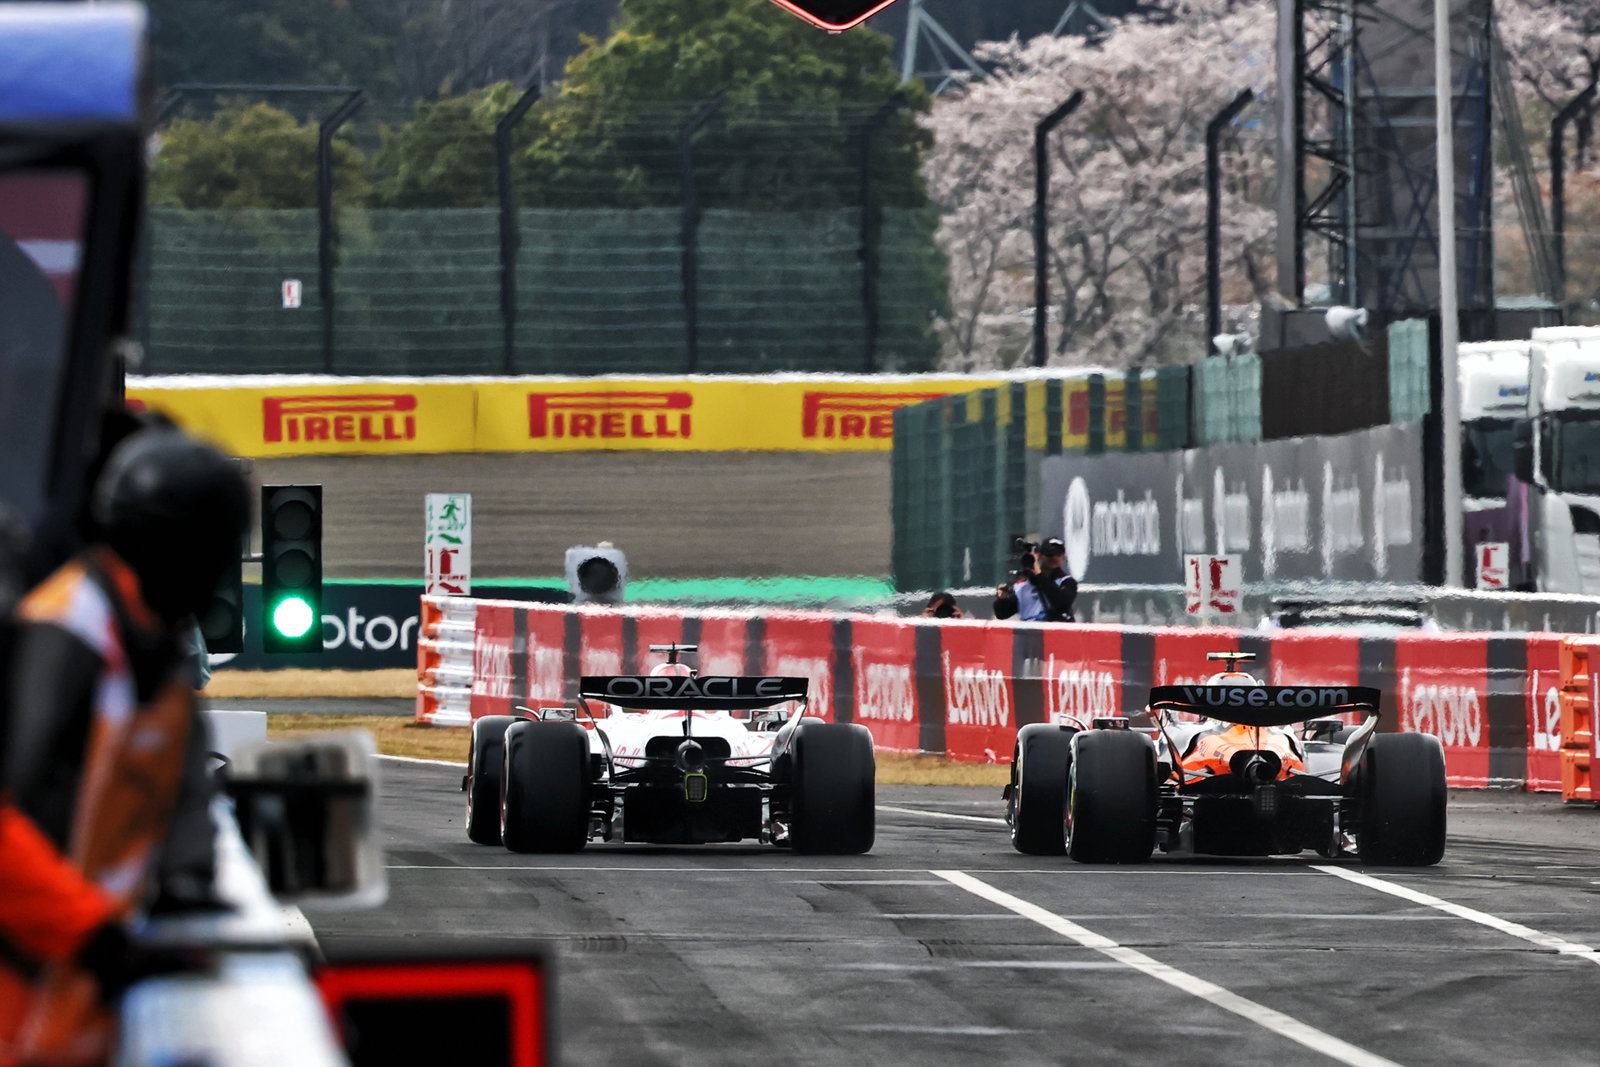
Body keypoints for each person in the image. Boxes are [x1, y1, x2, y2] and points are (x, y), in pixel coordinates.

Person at [0, 427, 250, 1066]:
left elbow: (181, 799)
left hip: (72, 1013)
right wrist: (94, 939)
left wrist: (189, 886)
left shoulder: (160, 659)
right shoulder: (58, 641)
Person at [993, 537, 1077, 622]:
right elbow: (1002, 614)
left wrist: (1038, 574)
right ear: (1040, 556)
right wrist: (1002, 599)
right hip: (1028, 634)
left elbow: (1061, 603)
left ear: (1063, 557)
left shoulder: (1067, 582)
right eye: (1050, 554)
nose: (1054, 558)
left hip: (1054, 633)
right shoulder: (1022, 585)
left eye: (1058, 554)